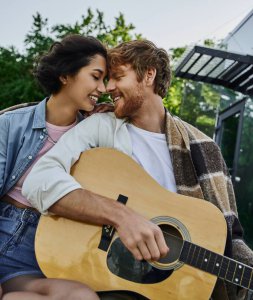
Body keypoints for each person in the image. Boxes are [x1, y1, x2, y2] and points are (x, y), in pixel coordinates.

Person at [23, 39, 253, 300]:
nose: (108, 88)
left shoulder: (204, 148)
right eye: (107, 79)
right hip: (109, 278)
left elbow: (230, 238)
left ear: (149, 74)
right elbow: (39, 180)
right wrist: (121, 216)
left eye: (118, 77)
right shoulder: (101, 127)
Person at [0, 34, 110, 299]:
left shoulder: (93, 136)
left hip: (47, 252)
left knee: (83, 297)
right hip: (4, 232)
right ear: (66, 75)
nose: (103, 88)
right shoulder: (11, 124)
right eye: (96, 77)